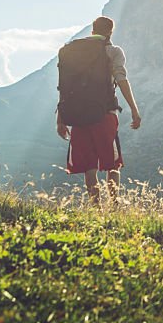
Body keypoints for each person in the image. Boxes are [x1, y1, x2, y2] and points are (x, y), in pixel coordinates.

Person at [56, 16, 142, 204]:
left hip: (77, 115)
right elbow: (121, 79)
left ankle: (95, 208)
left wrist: (60, 119)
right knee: (112, 163)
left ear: (92, 30)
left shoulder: (73, 52)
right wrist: (134, 109)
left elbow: (64, 86)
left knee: (89, 165)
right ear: (110, 32)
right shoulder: (113, 51)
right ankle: (114, 205)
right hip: (105, 113)